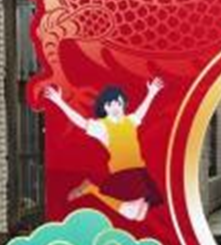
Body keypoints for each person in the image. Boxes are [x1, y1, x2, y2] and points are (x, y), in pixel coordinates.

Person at [44, 78, 164, 222]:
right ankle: (90, 189)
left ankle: (90, 188)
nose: (115, 107)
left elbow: (141, 112)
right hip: (122, 171)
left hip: (139, 169)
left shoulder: (130, 121)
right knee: (133, 213)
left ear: (123, 104)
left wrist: (151, 93)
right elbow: (80, 121)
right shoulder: (102, 126)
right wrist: (59, 102)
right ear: (104, 108)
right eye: (110, 104)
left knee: (138, 216)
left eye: (118, 103)